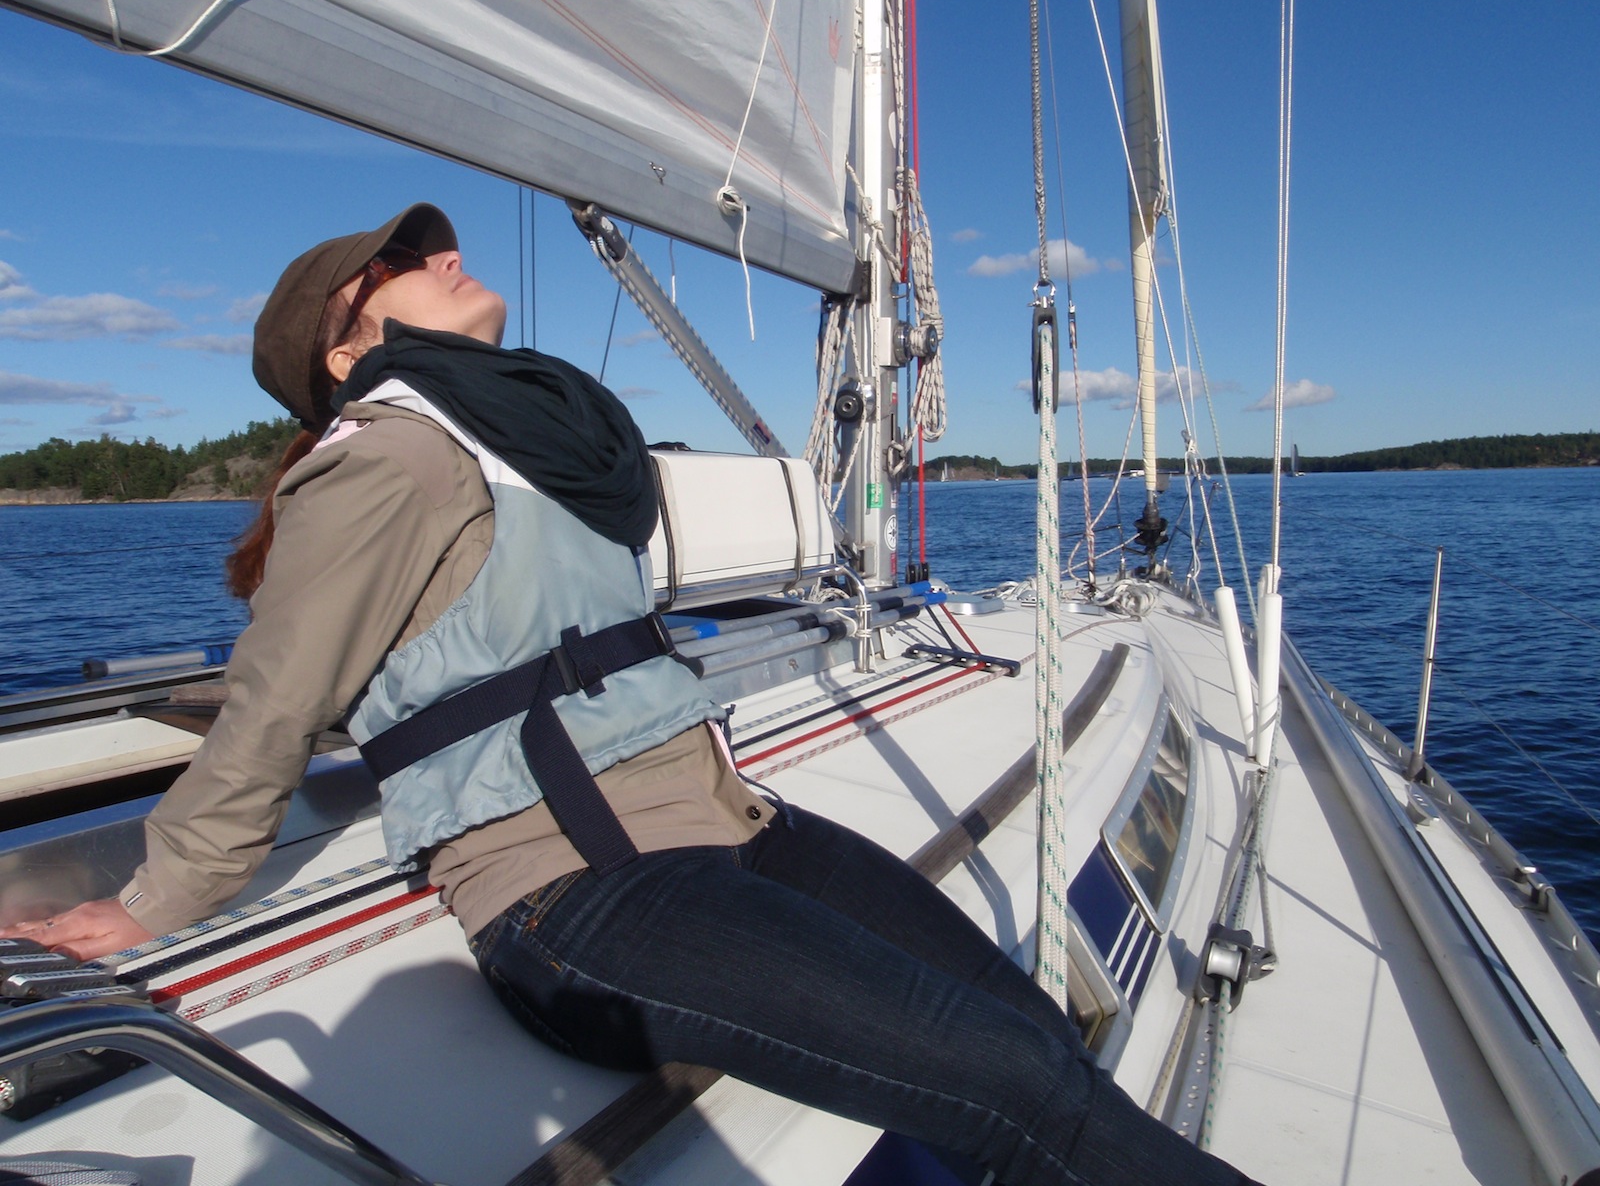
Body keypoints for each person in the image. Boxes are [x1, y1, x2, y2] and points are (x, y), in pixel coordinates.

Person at [2, 205, 1257, 1186]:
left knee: (1030, 1029)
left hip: (727, 826)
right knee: (1009, 1082)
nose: (442, 256)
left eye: (430, 245)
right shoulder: (383, 453)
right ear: (345, 350)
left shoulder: (509, 437)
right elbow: (278, 694)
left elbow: (456, 637)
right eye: (398, 261)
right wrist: (156, 897)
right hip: (576, 893)